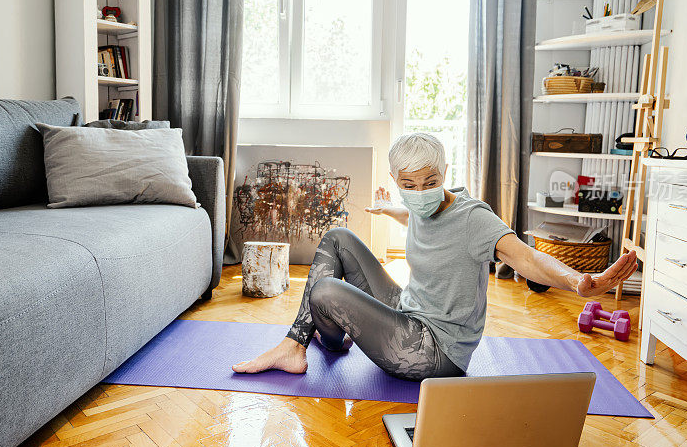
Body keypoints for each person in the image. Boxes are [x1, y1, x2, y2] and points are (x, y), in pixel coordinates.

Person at [232, 133, 638, 381]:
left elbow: (526, 257)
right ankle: (324, 342)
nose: (422, 190)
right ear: (397, 182)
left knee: (323, 292)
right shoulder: (418, 205)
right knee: (337, 237)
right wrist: (390, 209)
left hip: (433, 351)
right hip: (408, 311)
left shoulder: (472, 218)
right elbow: (417, 216)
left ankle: (302, 343)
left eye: (431, 182)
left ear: (446, 172)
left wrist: (577, 280)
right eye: (409, 184)